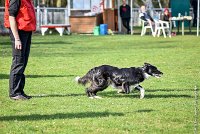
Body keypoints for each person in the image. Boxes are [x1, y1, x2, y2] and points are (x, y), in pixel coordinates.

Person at [4, 0, 36, 100]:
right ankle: (14, 93)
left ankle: (20, 91)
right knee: (18, 61)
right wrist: (17, 39)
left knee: (23, 62)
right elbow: (11, 17)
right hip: (19, 33)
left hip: (26, 32)